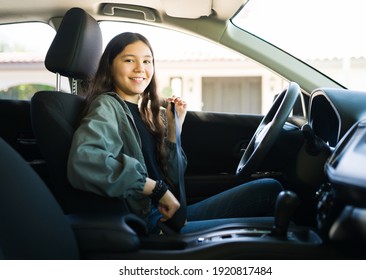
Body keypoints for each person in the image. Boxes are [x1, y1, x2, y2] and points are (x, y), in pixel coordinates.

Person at [67, 32, 283, 234]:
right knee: (277, 226)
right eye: (129, 60)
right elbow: (86, 160)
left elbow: (171, 176)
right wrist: (156, 189)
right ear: (110, 66)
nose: (140, 68)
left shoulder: (145, 111)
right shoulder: (107, 106)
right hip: (151, 222)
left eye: (147, 61)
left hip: (171, 212)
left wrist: (173, 129)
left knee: (270, 189)